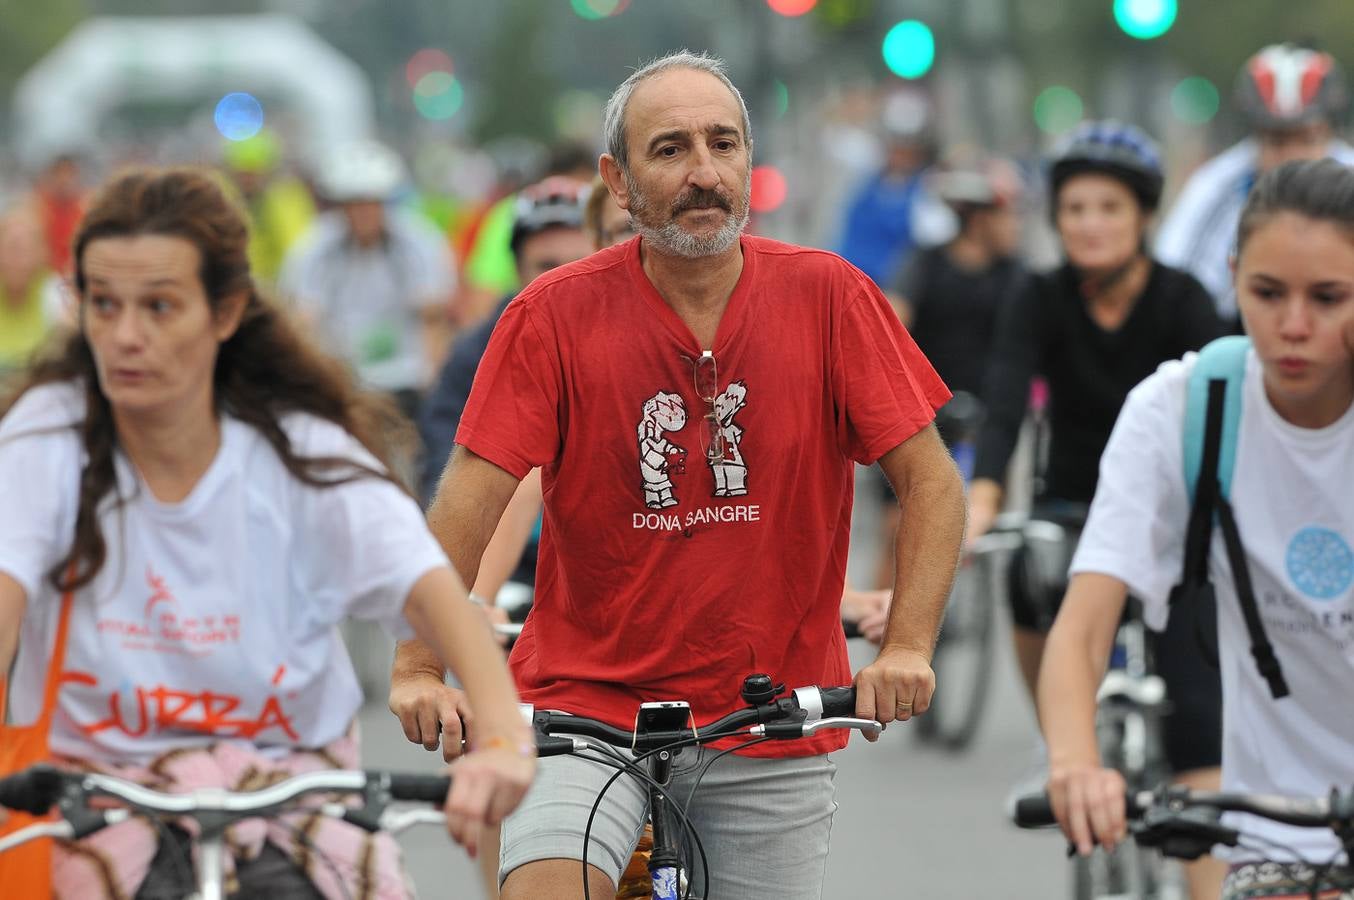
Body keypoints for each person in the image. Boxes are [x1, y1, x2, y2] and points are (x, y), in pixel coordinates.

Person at [387, 50, 964, 900]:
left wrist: (908, 647)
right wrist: (417, 667)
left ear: (748, 161)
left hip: (770, 720)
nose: (704, 172)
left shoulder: (831, 296)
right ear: (617, 183)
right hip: (585, 713)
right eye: (670, 150)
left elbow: (933, 484)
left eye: (723, 144)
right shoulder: (550, 314)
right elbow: (472, 497)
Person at [0, 168, 534, 898]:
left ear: (225, 312)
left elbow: (430, 595)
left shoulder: (298, 448)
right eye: (103, 303)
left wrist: (501, 740)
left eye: (160, 305)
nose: (125, 336)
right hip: (98, 798)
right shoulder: (48, 436)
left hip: (294, 793)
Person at [1041, 157, 1354, 900]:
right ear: (1233, 276)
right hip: (1272, 833)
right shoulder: (1184, 409)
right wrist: (1076, 765)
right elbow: (1083, 630)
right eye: (1267, 293)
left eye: (1329, 297)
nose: (1294, 326)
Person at [965, 120, 1227, 898]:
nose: (1090, 225)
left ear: (1144, 216)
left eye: (1109, 208)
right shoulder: (1039, 296)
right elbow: (1006, 397)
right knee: (1024, 571)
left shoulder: (1183, 299)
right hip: (1072, 504)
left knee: (1198, 730)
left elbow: (1222, 410)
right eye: (1074, 209)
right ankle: (1063, 738)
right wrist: (984, 496)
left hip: (1177, 519)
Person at [1156, 43, 1354, 328]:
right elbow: (1174, 290)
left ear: (1330, 131)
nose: (1292, 156)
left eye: (1306, 138)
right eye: (1277, 140)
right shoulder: (1214, 188)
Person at [278, 138, 455, 420]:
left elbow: (433, 319)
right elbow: (303, 323)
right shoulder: (314, 248)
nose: (363, 213)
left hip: (406, 378)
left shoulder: (418, 241)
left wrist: (433, 389)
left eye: (372, 203)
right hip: (342, 380)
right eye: (354, 204)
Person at [835, 90, 950, 289]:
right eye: (894, 145)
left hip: (894, 292)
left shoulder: (928, 190)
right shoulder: (867, 177)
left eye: (907, 147)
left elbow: (936, 238)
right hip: (850, 284)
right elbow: (836, 138)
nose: (899, 154)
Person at [220, 129, 316, 287]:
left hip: (281, 286)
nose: (248, 180)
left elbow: (297, 249)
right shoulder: (225, 203)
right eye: (242, 173)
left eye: (253, 173)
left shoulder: (286, 199)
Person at [0, 208, 68, 375]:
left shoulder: (57, 295)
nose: (18, 260)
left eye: (26, 250)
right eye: (11, 248)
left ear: (42, 252)